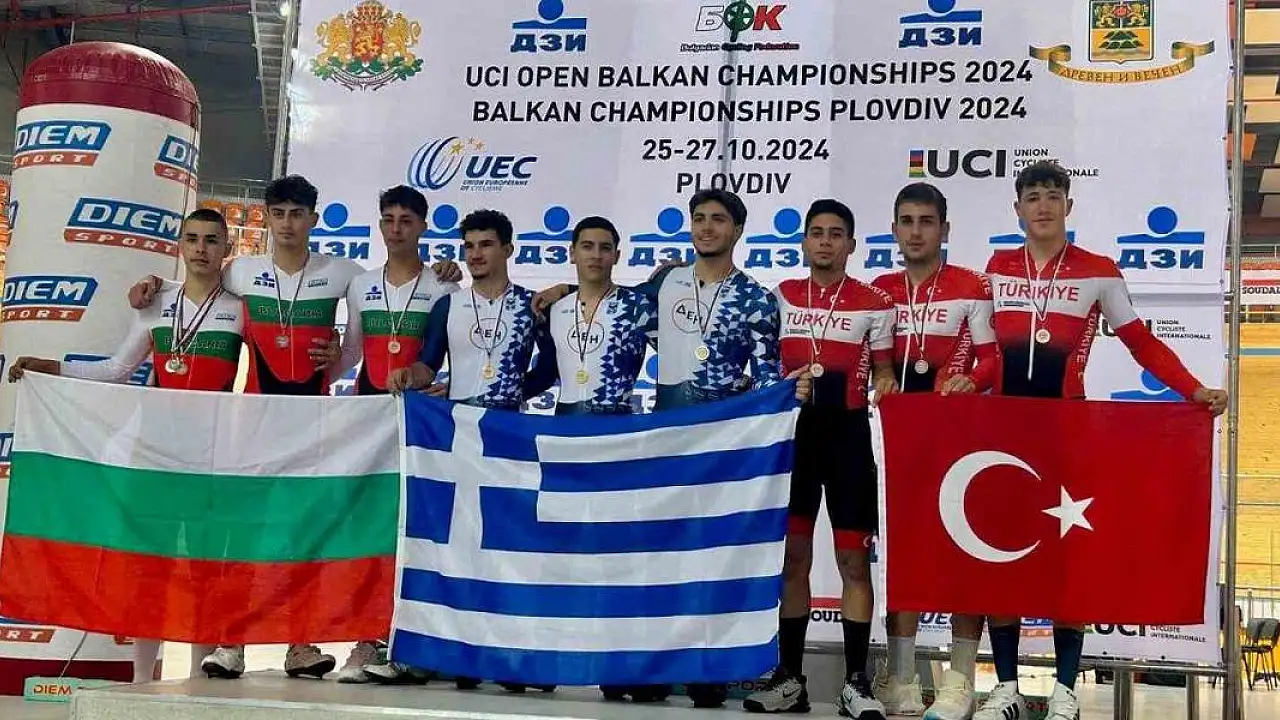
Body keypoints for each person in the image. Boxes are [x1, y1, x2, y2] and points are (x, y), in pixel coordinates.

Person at [128, 175, 459, 680]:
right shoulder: (241, 271)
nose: (287, 223)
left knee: (306, 534)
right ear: (266, 218)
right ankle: (232, 641)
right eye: (278, 213)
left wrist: (336, 359)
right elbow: (197, 284)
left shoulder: (346, 274)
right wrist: (155, 284)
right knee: (248, 533)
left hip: (315, 424)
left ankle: (301, 645)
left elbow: (362, 338)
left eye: (297, 213)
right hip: (255, 422)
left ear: (313, 218)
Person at [535, 188, 811, 709]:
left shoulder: (756, 298)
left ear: (738, 230)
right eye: (699, 218)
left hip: (722, 453)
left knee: (711, 559)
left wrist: (783, 398)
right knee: (656, 559)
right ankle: (649, 667)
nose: (706, 227)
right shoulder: (664, 284)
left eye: (718, 220)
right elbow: (604, 296)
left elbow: (766, 379)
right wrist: (562, 289)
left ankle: (709, 670)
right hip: (663, 448)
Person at [974, 161, 1228, 720]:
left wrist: (1193, 389)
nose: (1043, 206)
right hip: (1004, 433)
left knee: (1069, 562)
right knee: (1002, 558)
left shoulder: (1099, 271)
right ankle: (1007, 688)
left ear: (1069, 206)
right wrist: (962, 381)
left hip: (1068, 432)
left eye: (1053, 196)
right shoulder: (995, 270)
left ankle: (1065, 689)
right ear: (1017, 209)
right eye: (1033, 197)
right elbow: (984, 353)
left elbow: (1142, 343)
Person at [8, 208, 243, 684]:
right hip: (153, 455)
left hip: (212, 458)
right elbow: (116, 370)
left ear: (227, 249)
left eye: (211, 240)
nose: (201, 249)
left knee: (204, 569)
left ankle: (199, 681)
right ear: (180, 245)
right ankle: (140, 682)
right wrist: (53, 368)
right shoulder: (154, 305)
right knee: (149, 567)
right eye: (192, 239)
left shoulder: (240, 310)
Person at [387, 208, 554, 694]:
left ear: (508, 249)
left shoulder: (531, 306)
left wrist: (514, 390)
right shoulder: (448, 306)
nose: (476, 254)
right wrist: (411, 376)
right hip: (457, 440)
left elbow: (551, 368)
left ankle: (510, 653)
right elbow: (428, 364)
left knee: (508, 546)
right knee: (454, 545)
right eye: (469, 247)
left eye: (486, 245)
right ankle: (448, 652)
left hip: (509, 439)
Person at [742, 199, 896, 719]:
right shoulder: (782, 296)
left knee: (853, 561)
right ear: (804, 241)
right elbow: (763, 365)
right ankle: (791, 679)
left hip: (848, 440)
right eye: (817, 232)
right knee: (794, 558)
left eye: (835, 233)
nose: (825, 241)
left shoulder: (875, 303)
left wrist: (886, 384)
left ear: (851, 244)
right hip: (796, 440)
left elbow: (884, 371)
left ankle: (857, 682)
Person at [868, 183, 998, 720]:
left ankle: (961, 680)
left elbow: (992, 359)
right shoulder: (878, 290)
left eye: (926, 221)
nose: (916, 231)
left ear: (945, 229)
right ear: (894, 230)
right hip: (898, 441)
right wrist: (879, 377)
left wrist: (971, 379)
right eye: (907, 221)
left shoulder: (972, 285)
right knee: (902, 555)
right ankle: (900, 678)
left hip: (959, 439)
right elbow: (868, 361)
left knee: (963, 553)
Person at [327, 185, 459, 684]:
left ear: (423, 226)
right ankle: (367, 638)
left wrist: (451, 386)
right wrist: (319, 375)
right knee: (374, 532)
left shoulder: (444, 285)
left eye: (406, 220)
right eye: (388, 219)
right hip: (371, 421)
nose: (396, 229)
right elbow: (351, 354)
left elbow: (454, 354)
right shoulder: (361, 284)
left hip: (422, 425)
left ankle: (413, 641)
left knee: (416, 533)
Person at [523, 215, 655, 416]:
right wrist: (490, 408)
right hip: (565, 426)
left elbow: (679, 359)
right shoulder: (553, 309)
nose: (596, 255)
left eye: (605, 248)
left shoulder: (639, 307)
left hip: (617, 426)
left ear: (617, 256)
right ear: (572, 253)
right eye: (587, 247)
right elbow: (545, 374)